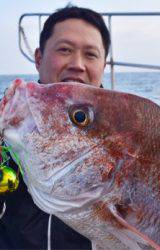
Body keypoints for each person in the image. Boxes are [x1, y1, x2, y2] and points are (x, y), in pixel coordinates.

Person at [0, 5, 110, 249]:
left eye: (91, 54)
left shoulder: (131, 133)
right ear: (39, 58)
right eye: (65, 50)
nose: (78, 64)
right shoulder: (8, 118)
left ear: (104, 65)